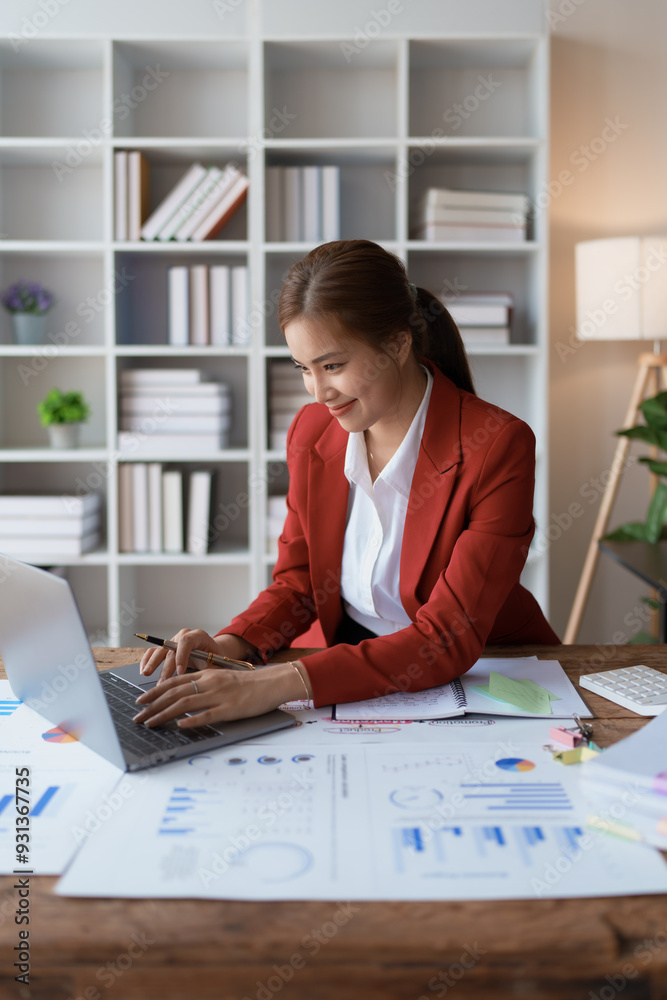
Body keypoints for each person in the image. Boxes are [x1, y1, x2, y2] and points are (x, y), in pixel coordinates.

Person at [134, 239, 559, 731]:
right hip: (356, 667)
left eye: (332, 365)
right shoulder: (311, 431)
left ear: (397, 344)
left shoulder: (497, 446)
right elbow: (300, 582)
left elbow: (446, 638)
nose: (319, 392)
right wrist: (231, 647)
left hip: (489, 673)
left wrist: (275, 683)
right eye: (304, 369)